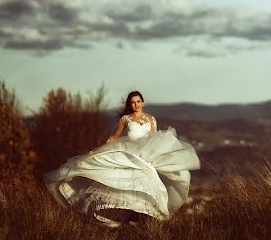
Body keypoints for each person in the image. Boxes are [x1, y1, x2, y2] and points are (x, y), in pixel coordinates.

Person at [44, 90, 200, 227]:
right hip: (128, 153)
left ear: (143, 102)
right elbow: (113, 137)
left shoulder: (151, 119)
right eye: (133, 102)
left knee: (146, 183)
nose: (136, 104)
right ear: (130, 104)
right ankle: (123, 217)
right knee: (122, 183)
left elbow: (154, 139)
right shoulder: (125, 119)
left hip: (145, 156)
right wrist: (99, 151)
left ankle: (142, 218)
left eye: (138, 101)